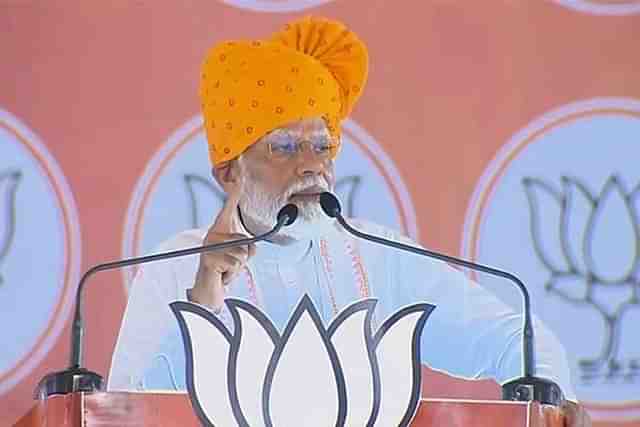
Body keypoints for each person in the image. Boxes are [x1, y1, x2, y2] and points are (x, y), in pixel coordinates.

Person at [109, 16, 590, 426]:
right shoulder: (175, 266)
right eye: (283, 147)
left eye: (322, 145)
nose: (309, 165)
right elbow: (129, 412)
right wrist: (205, 294)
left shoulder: (377, 256)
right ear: (229, 169)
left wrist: (552, 401)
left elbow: (514, 338)